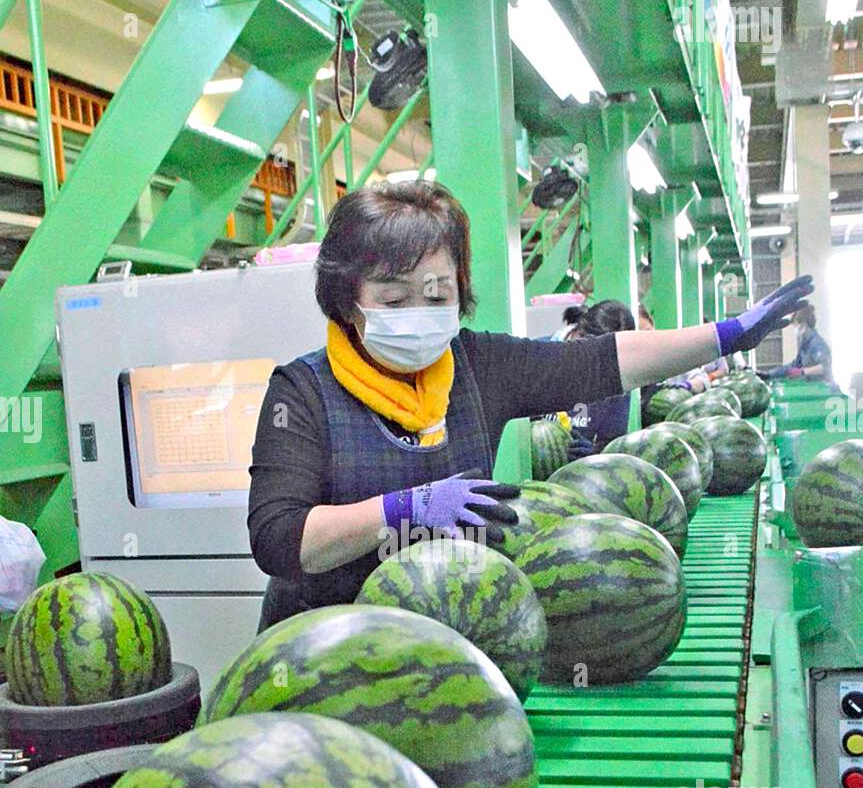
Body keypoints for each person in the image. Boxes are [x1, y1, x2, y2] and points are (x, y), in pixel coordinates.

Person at [248, 180, 812, 629]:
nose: (419, 311)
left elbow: (602, 361)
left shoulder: (478, 367)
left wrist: (722, 336)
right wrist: (400, 510)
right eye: (394, 298)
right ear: (348, 299)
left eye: (438, 294)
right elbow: (280, 541)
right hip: (326, 656)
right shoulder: (303, 392)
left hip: (453, 644)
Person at [560, 300, 636, 458]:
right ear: (580, 333)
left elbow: (611, 444)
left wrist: (596, 454)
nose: (599, 366)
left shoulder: (617, 379)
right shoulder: (542, 358)